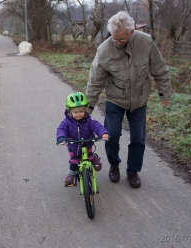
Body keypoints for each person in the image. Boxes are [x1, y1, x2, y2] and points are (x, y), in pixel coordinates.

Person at [86, 11, 171, 188]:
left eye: (122, 39)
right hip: (115, 99)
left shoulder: (145, 41)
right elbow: (95, 81)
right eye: (114, 38)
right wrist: (88, 107)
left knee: (138, 138)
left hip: (139, 99)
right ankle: (114, 165)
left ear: (131, 32)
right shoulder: (104, 49)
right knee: (112, 134)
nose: (117, 42)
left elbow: (159, 68)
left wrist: (164, 92)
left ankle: (133, 171)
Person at [56, 92, 110, 184]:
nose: (78, 114)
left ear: (85, 110)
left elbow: (97, 126)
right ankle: (71, 174)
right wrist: (61, 138)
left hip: (87, 144)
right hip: (73, 146)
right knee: (74, 161)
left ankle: (95, 158)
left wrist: (103, 133)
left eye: (81, 111)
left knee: (89, 157)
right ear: (70, 112)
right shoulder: (66, 122)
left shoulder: (89, 120)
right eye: (75, 112)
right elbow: (61, 129)